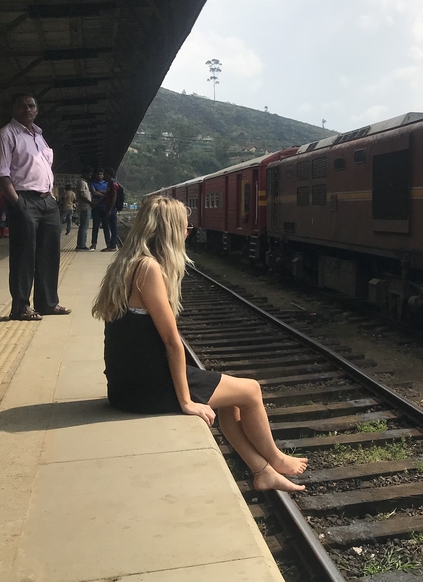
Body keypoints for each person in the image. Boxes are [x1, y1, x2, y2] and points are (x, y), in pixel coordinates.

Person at [91, 196, 306, 492]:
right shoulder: (149, 269)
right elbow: (172, 343)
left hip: (125, 388)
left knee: (230, 400)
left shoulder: (124, 264)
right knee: (251, 390)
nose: (188, 231)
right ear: (169, 230)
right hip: (148, 391)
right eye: (185, 226)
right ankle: (277, 458)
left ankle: (262, 471)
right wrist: (186, 402)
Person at [0, 92, 70, 321]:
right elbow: (2, 175)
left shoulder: (40, 137)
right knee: (23, 255)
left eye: (31, 105)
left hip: (47, 201)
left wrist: (51, 197)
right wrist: (18, 204)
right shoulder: (6, 135)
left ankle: (47, 303)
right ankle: (20, 307)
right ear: (13, 109)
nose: (27, 109)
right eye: (22, 105)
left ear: (37, 109)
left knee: (49, 254)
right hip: (24, 199)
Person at [90, 168, 110, 251]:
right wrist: (104, 194)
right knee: (95, 226)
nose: (99, 176)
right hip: (96, 207)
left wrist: (98, 192)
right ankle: (93, 244)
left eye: (101, 174)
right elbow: (93, 192)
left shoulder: (107, 184)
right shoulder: (92, 183)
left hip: (105, 207)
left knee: (106, 226)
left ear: (103, 175)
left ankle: (108, 243)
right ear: (95, 175)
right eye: (98, 174)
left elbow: (109, 193)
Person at [101, 167, 120, 251]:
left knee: (113, 227)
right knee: (110, 226)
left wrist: (110, 209)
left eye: (105, 174)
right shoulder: (109, 184)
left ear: (109, 174)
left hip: (112, 209)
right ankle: (111, 245)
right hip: (109, 208)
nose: (104, 176)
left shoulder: (113, 184)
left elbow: (114, 197)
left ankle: (112, 246)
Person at [75, 166, 93, 250]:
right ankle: (81, 245)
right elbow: (82, 195)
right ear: (85, 173)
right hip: (84, 207)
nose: (90, 176)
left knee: (84, 226)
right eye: (89, 174)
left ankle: (81, 244)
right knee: (84, 227)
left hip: (86, 206)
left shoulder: (83, 182)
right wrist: (90, 203)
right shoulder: (81, 182)